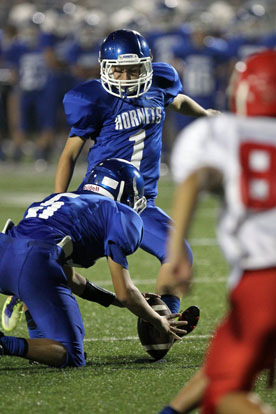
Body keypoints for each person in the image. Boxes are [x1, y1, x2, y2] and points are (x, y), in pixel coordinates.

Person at [54, 29, 219, 322]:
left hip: (142, 202)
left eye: (134, 71)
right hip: (99, 200)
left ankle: (166, 321)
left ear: (148, 65)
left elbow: (177, 100)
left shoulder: (160, 82)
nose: (127, 79)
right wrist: (59, 200)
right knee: (56, 257)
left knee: (178, 254)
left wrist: (205, 115)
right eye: (119, 72)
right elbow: (69, 154)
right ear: (106, 68)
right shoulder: (94, 99)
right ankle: (25, 297)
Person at [159, 49, 276, 413]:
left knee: (226, 394)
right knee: (221, 377)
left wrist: (176, 251)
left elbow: (199, 176)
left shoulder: (224, 131)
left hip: (265, 280)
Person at [0, 158, 184, 367]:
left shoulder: (60, 200)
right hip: (33, 263)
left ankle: (38, 348)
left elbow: (70, 279)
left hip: (6, 247)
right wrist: (158, 320)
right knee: (71, 355)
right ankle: (5, 344)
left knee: (46, 289)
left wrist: (115, 300)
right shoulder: (119, 213)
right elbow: (126, 293)